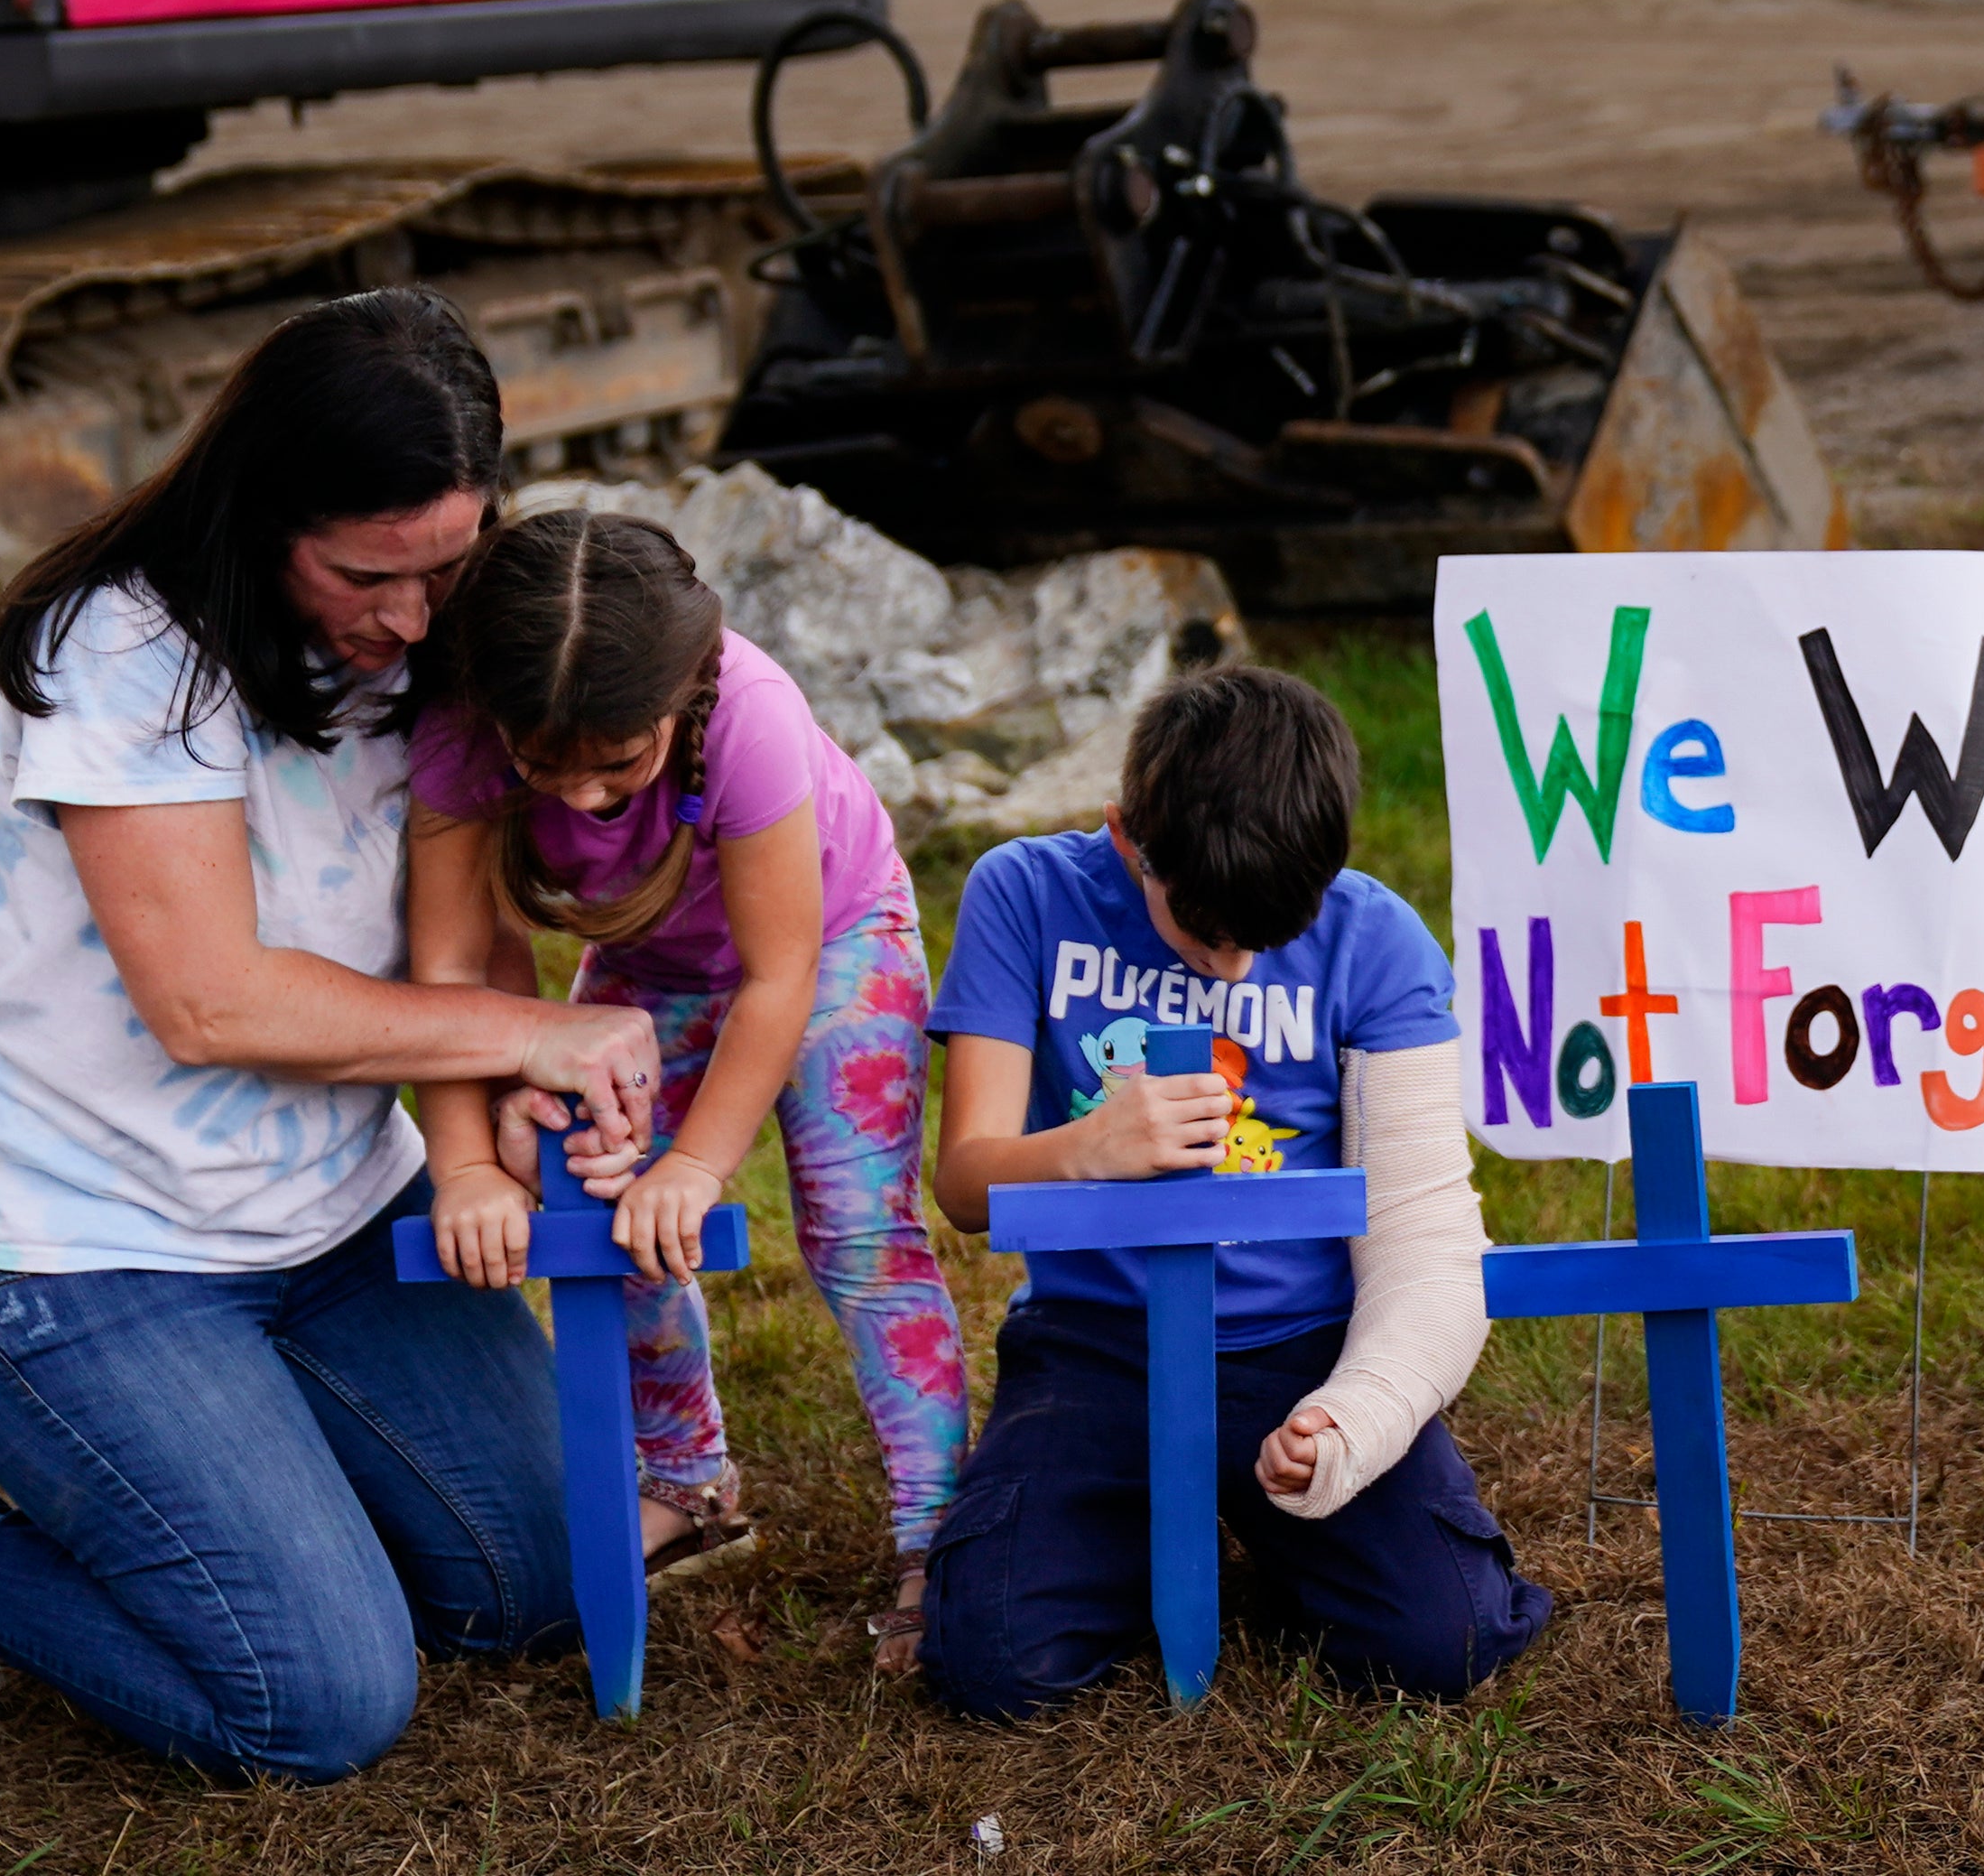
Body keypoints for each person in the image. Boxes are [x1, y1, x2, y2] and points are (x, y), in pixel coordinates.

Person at [0, 288, 661, 1780]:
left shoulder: (437, 625)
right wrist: (520, 1031)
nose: (413, 618)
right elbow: (209, 1002)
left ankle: (271, 1499)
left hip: (336, 1216)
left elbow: (462, 914)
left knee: (543, 1583)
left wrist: (503, 1113)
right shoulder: (119, 647)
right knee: (316, 1704)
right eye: (365, 574)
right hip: (83, 1249)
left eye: (447, 564)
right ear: (263, 510)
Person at [917, 664, 1548, 1713]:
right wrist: (1090, 1143)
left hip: (1303, 1347)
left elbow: (1425, 1237)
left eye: (1269, 934)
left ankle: (1237, 1527)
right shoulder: (1024, 893)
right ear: (1129, 839)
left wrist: (1354, 1414)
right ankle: (1139, 1536)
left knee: (1450, 1641)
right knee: (989, 1662)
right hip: (1099, 1338)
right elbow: (967, 1183)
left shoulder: (1378, 940)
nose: (1237, 965)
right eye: (1205, 928)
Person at [403, 508, 969, 1670]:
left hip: (831, 939)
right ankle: (690, 1477)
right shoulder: (459, 731)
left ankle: (941, 1531)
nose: (586, 801)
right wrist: (462, 1162)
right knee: (599, 1202)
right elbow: (450, 971)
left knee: (858, 1229)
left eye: (619, 766)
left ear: (682, 691)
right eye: (544, 770)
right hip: (646, 966)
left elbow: (779, 978)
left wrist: (699, 1164)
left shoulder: (750, 711)